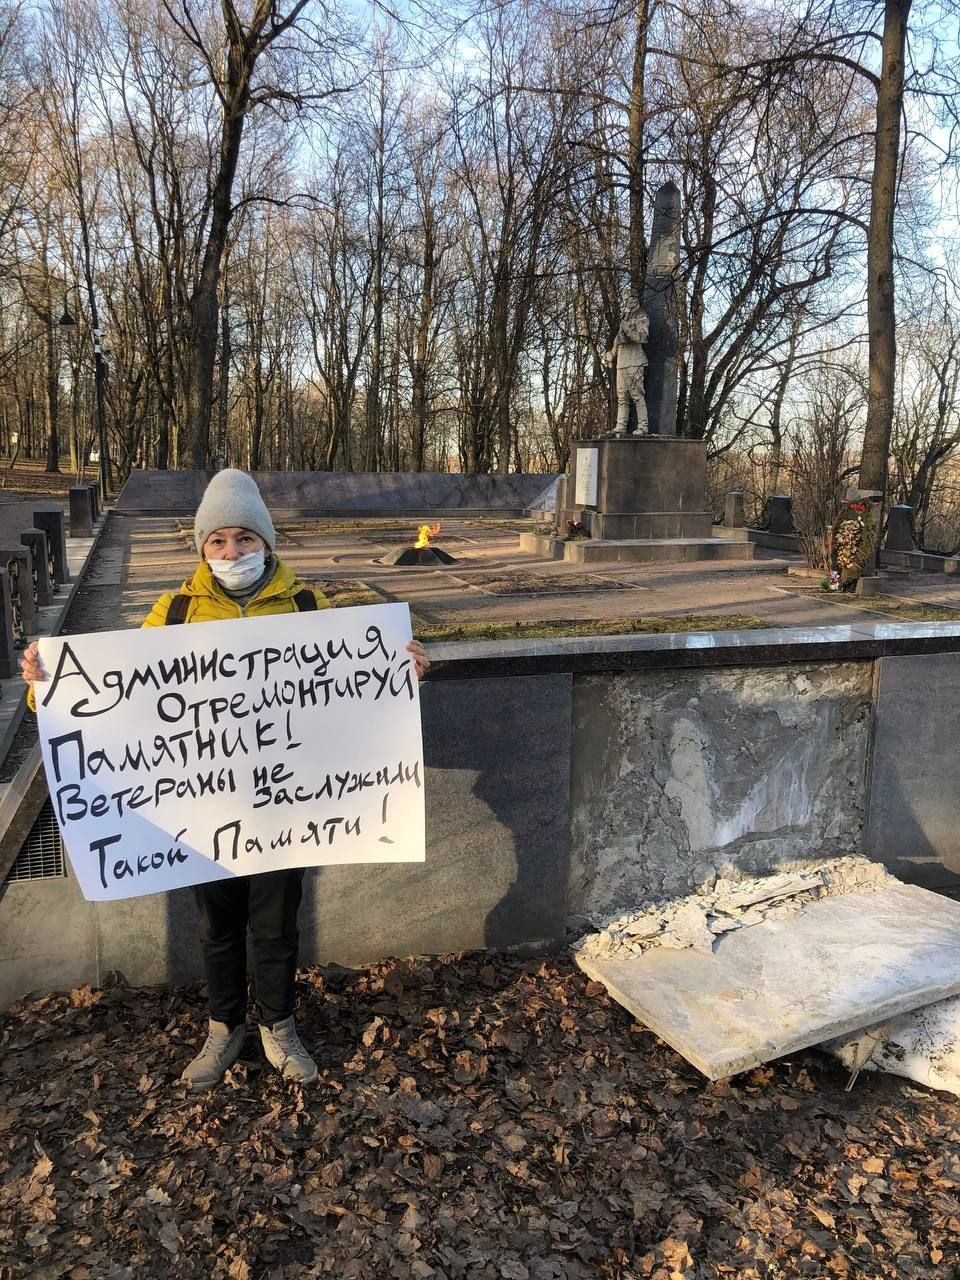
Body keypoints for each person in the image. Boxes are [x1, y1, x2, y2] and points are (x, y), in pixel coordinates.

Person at [21, 469, 430, 1091]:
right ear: (202, 548)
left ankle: (280, 1026)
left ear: (267, 542)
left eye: (244, 538)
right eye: (219, 542)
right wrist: (45, 687)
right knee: (215, 924)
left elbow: (351, 689)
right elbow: (115, 693)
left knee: (276, 922)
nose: (233, 552)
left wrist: (404, 670)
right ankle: (223, 1028)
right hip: (202, 810)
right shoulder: (176, 609)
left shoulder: (305, 605)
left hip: (286, 805)